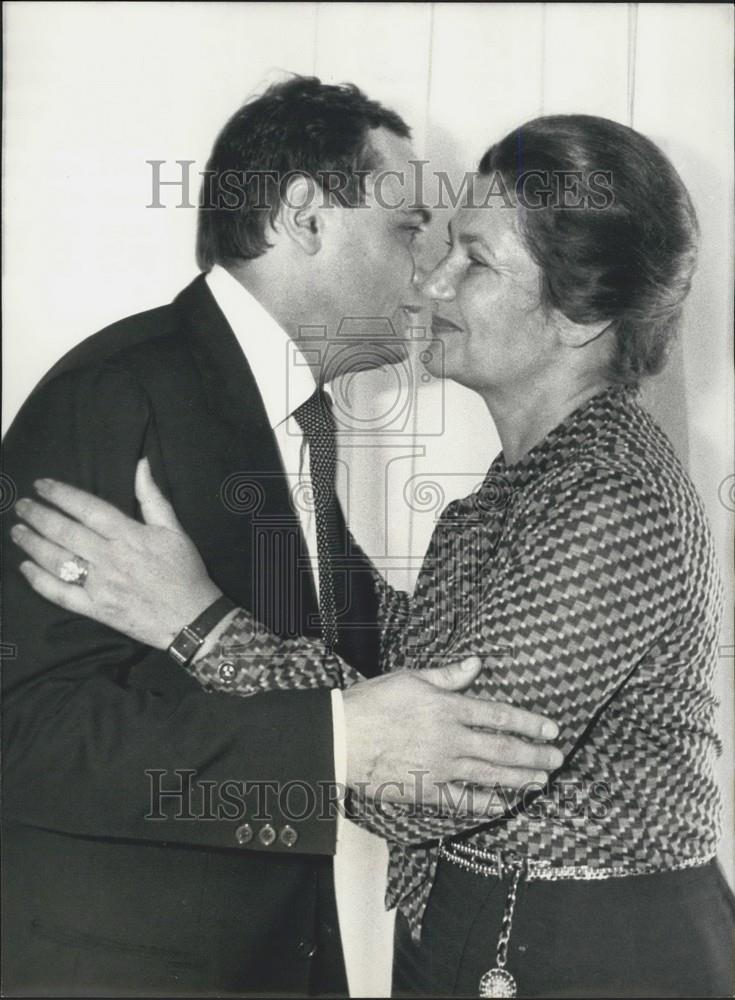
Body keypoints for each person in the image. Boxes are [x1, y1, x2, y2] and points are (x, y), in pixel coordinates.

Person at [14, 113, 735, 998]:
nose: (430, 278)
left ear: (577, 314)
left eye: (473, 259)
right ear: (307, 218)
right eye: (421, 237)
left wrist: (198, 622)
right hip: (473, 936)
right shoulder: (511, 488)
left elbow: (426, 780)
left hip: (584, 957)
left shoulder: (606, 498)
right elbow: (402, 649)